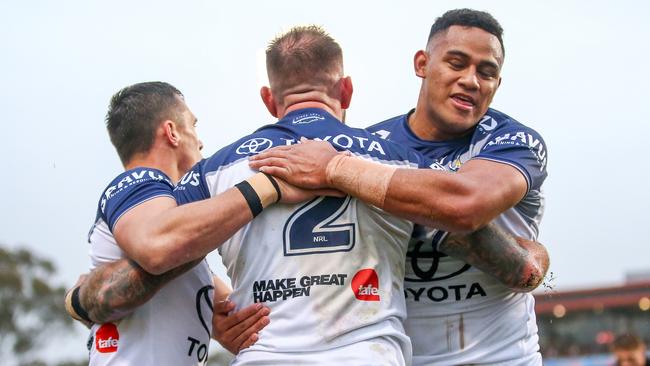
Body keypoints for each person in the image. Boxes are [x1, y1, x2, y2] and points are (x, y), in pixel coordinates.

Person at [177, 25, 541, 365]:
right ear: (422, 64)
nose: (470, 80)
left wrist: (336, 170)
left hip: (500, 357)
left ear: (269, 100)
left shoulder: (511, 140)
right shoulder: (382, 150)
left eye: (487, 71)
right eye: (456, 63)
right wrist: (221, 309)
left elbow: (466, 205)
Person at [66, 81, 319, 365]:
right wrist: (266, 187)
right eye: (194, 125)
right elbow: (159, 248)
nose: (200, 141)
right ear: (172, 132)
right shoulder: (139, 182)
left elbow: (230, 299)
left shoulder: (174, 220)